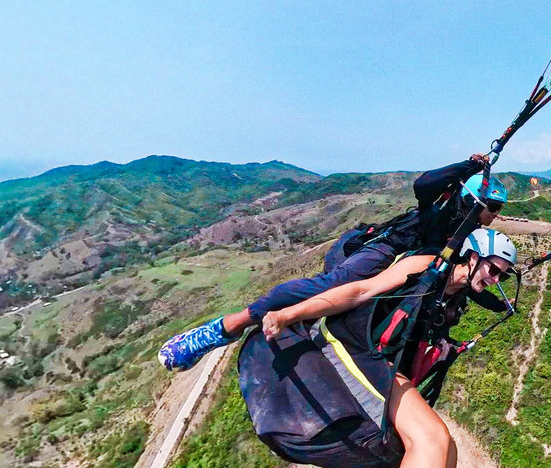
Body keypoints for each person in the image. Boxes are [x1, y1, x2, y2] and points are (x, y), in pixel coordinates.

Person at [241, 227, 517, 468]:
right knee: (431, 438)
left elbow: (456, 313)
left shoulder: (456, 293)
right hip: (347, 344)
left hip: (381, 359)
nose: (495, 278)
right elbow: (360, 290)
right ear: (472, 255)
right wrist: (290, 314)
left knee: (446, 448)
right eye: (493, 269)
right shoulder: (429, 263)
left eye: (502, 274)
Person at [158, 156, 507, 372]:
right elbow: (423, 184)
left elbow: (472, 276)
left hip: (419, 266)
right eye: (493, 206)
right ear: (474, 200)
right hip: (391, 247)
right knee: (334, 285)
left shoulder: (472, 236)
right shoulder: (443, 207)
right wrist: (467, 166)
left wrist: (498, 297)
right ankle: (227, 326)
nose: (496, 215)